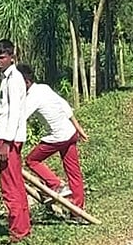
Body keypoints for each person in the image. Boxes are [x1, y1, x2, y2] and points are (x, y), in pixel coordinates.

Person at [18, 64, 88, 209]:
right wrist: (78, 128)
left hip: (59, 137)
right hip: (70, 132)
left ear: (26, 82)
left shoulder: (32, 97)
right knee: (74, 172)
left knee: (32, 160)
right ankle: (77, 209)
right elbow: (64, 105)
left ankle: (56, 184)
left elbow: (20, 118)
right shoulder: (43, 88)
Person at [0, 39, 30, 242]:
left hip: (10, 140)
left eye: (2, 56)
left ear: (12, 57)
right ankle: (23, 226)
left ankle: (18, 230)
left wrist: (6, 143)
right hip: (6, 137)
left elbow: (14, 113)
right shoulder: (6, 78)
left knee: (10, 185)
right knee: (16, 182)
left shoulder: (14, 79)